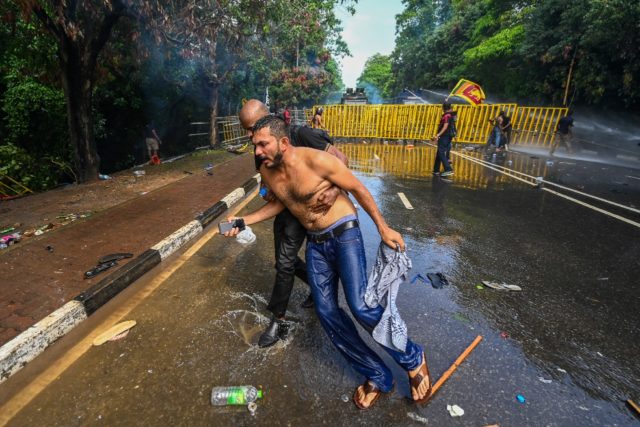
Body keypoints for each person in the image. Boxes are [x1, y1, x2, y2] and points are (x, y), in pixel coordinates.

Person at [227, 115, 432, 410]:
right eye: (254, 144)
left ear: (283, 142)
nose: (257, 151)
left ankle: (412, 357)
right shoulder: (268, 171)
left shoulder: (317, 161)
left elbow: (359, 189)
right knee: (326, 312)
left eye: (262, 144)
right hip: (317, 242)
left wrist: (383, 229)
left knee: (361, 305)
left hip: (344, 233)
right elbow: (280, 202)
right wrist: (244, 220)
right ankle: (377, 374)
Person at [238, 100, 347, 348]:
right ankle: (279, 318)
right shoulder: (260, 148)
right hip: (288, 212)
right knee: (284, 263)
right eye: (246, 130)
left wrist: (335, 189)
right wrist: (267, 191)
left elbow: (340, 158)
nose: (249, 135)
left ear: (268, 118)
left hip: (319, 210)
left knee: (321, 258)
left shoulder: (302, 133)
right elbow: (267, 182)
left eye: (251, 127)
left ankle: (322, 290)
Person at [431, 102, 455, 177]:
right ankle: (436, 170)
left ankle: (448, 169)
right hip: (448, 136)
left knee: (441, 153)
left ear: (443, 108)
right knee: (439, 153)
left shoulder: (447, 116)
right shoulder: (451, 115)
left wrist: (438, 135)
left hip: (444, 136)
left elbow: (445, 126)